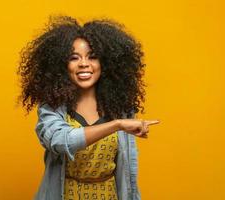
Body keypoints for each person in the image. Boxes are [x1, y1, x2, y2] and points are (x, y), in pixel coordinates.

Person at [16, 15, 160, 200]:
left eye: (92, 57)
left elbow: (128, 175)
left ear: (105, 63)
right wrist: (117, 125)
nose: (84, 63)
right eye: (74, 58)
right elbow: (61, 142)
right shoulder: (51, 108)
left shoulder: (120, 108)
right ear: (62, 65)